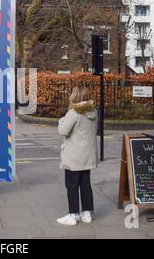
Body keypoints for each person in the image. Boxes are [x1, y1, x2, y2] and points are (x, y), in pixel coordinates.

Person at [56, 85, 98, 226]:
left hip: (74, 156)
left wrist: (61, 120)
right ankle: (87, 213)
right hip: (88, 155)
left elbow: (63, 131)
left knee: (72, 185)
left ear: (75, 96)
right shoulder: (94, 112)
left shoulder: (74, 113)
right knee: (86, 184)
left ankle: (72, 215)